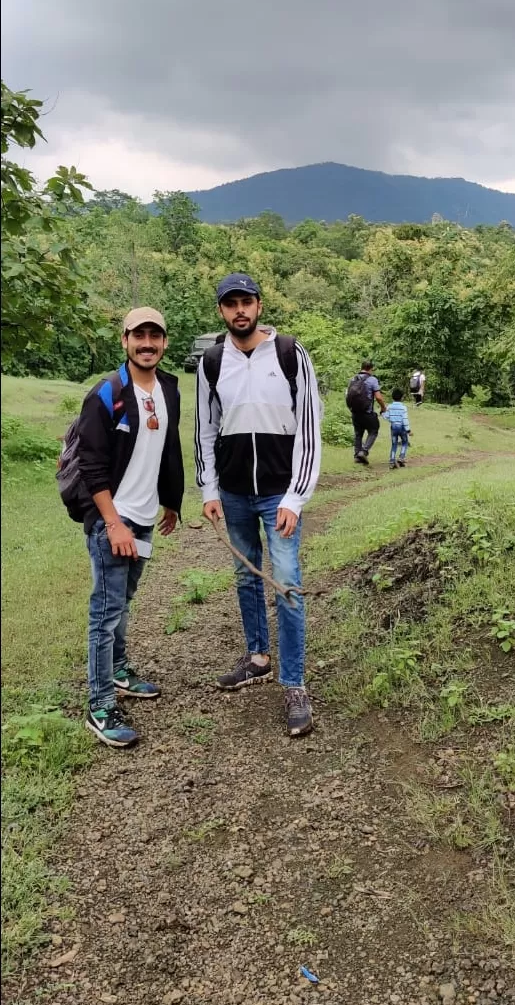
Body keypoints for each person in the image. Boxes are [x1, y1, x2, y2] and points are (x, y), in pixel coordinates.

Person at [195, 273, 321, 737]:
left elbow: (309, 428)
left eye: (246, 301)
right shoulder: (211, 362)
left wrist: (295, 495)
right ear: (222, 312)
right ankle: (257, 658)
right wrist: (209, 489)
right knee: (246, 574)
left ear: (259, 306)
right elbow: (205, 429)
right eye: (231, 304)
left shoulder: (290, 354)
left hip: (278, 492)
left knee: (286, 580)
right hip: (233, 492)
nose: (239, 310)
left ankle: (294, 683)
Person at [77, 308, 184, 748]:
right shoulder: (106, 393)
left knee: (123, 602)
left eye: (154, 336)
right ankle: (99, 705)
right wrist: (113, 523)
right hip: (113, 522)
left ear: (164, 343)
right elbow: (91, 466)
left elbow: (168, 445)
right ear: (124, 341)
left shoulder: (169, 389)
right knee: (105, 613)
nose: (146, 343)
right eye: (138, 335)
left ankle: (119, 671)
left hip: (142, 518)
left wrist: (172, 501)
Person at [346, 360, 386, 465]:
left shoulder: (353, 379)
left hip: (355, 412)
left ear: (362, 367)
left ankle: (357, 456)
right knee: (373, 430)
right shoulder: (372, 380)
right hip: (367, 412)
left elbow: (348, 395)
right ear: (371, 369)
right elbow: (378, 397)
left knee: (358, 434)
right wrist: (383, 407)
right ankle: (363, 451)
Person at [383, 389, 411, 469]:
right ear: (402, 398)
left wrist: (382, 413)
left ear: (392, 397)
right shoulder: (403, 408)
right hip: (402, 428)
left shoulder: (389, 407)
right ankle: (401, 458)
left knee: (394, 444)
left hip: (393, 427)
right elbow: (405, 419)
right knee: (405, 442)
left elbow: (386, 417)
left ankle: (392, 461)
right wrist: (408, 430)